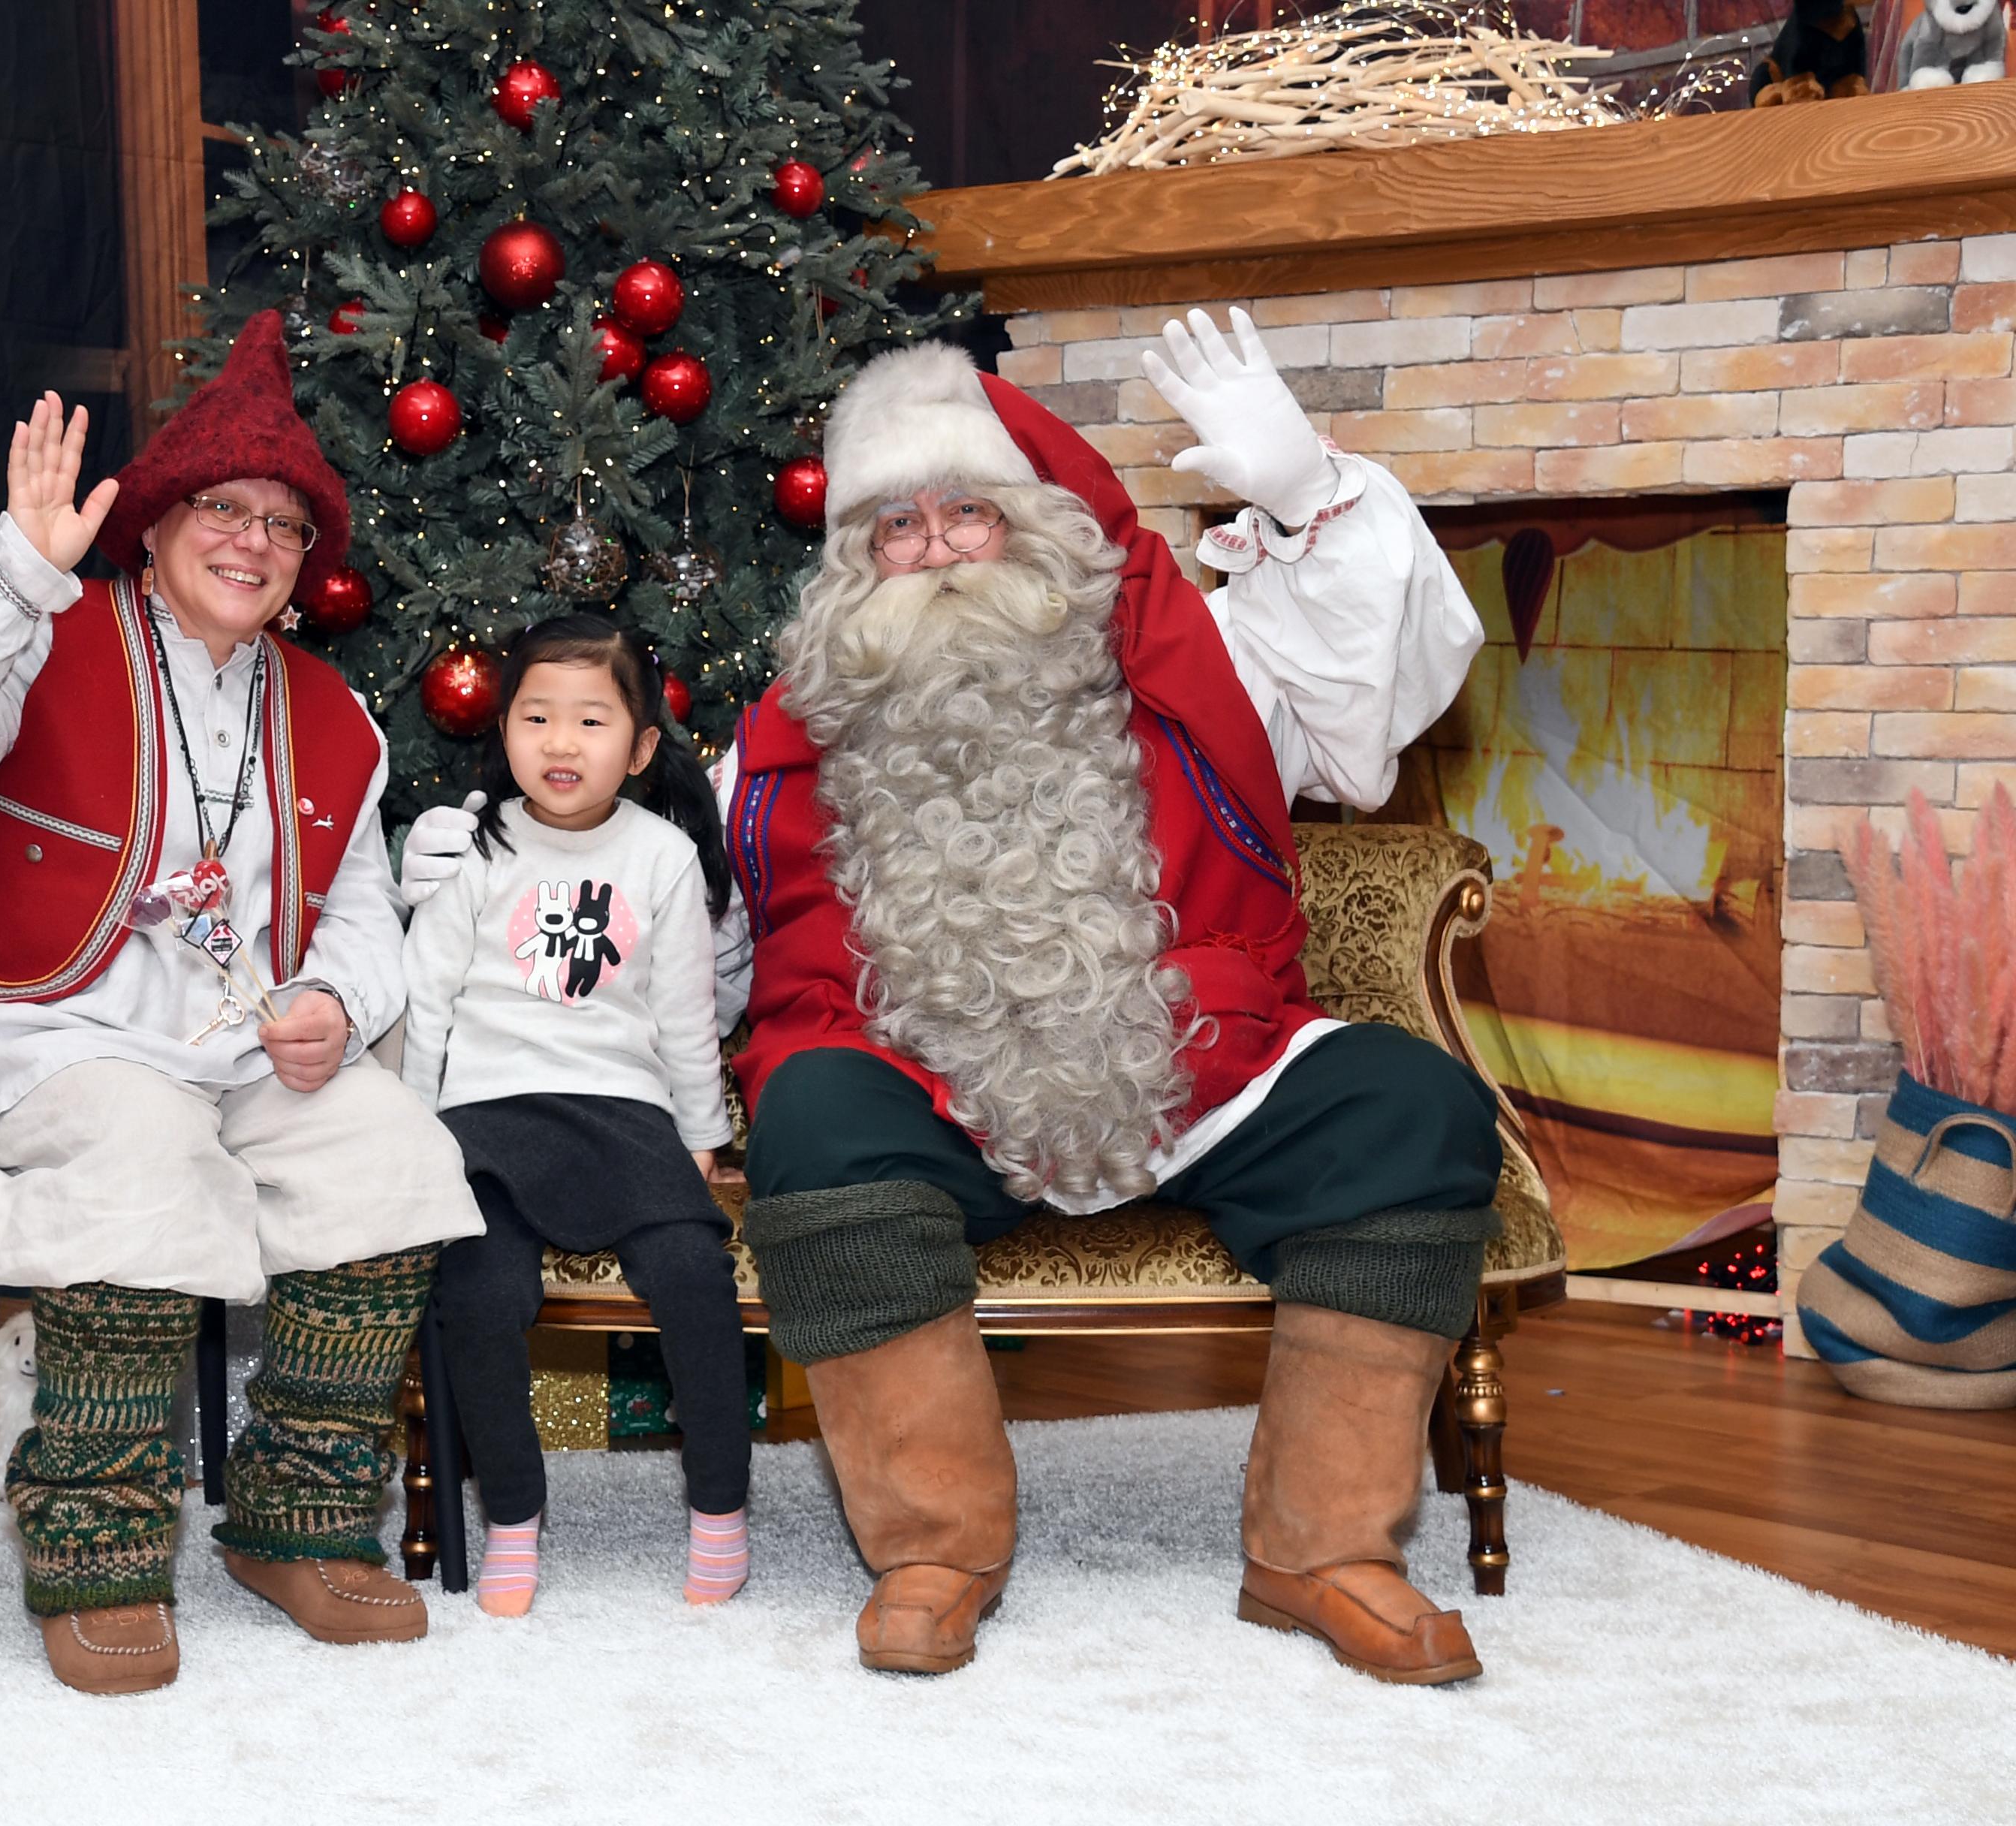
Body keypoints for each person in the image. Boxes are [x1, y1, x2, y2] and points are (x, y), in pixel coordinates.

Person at [405, 308, 1501, 1686]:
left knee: (1409, 1107)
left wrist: (1303, 495)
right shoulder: (775, 755)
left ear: (1031, 526)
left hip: (1199, 1067)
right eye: (895, 529)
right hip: (930, 1090)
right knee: (812, 1111)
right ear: (852, 568)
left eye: (965, 514)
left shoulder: (1189, 669)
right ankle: (936, 1545)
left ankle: (1322, 1549)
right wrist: (490, 875)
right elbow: (682, 940)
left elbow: (1370, 697)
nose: (931, 549)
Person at [0, 312, 482, 1695]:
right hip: (47, 1034)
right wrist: (17, 580)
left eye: (283, 526)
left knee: (395, 1151)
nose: (250, 541)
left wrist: (329, 996)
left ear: (310, 566)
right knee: (144, 1159)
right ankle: (97, 1546)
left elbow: (363, 913)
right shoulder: (40, 636)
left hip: (243, 1050)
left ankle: (297, 1519)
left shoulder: (335, 717)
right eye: (221, 509)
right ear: (160, 520)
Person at [400, 615, 752, 1617]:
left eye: (591, 721)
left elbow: (687, 1019)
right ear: (501, 730)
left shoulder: (664, 858)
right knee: (478, 1293)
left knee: (693, 1276)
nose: (561, 743)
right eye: (536, 717)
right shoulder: (475, 848)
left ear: (641, 748)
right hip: (485, 1115)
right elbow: (428, 1005)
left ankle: (720, 1510)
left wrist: (700, 1143)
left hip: (621, 1113)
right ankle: (513, 1515)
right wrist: (415, 1139)